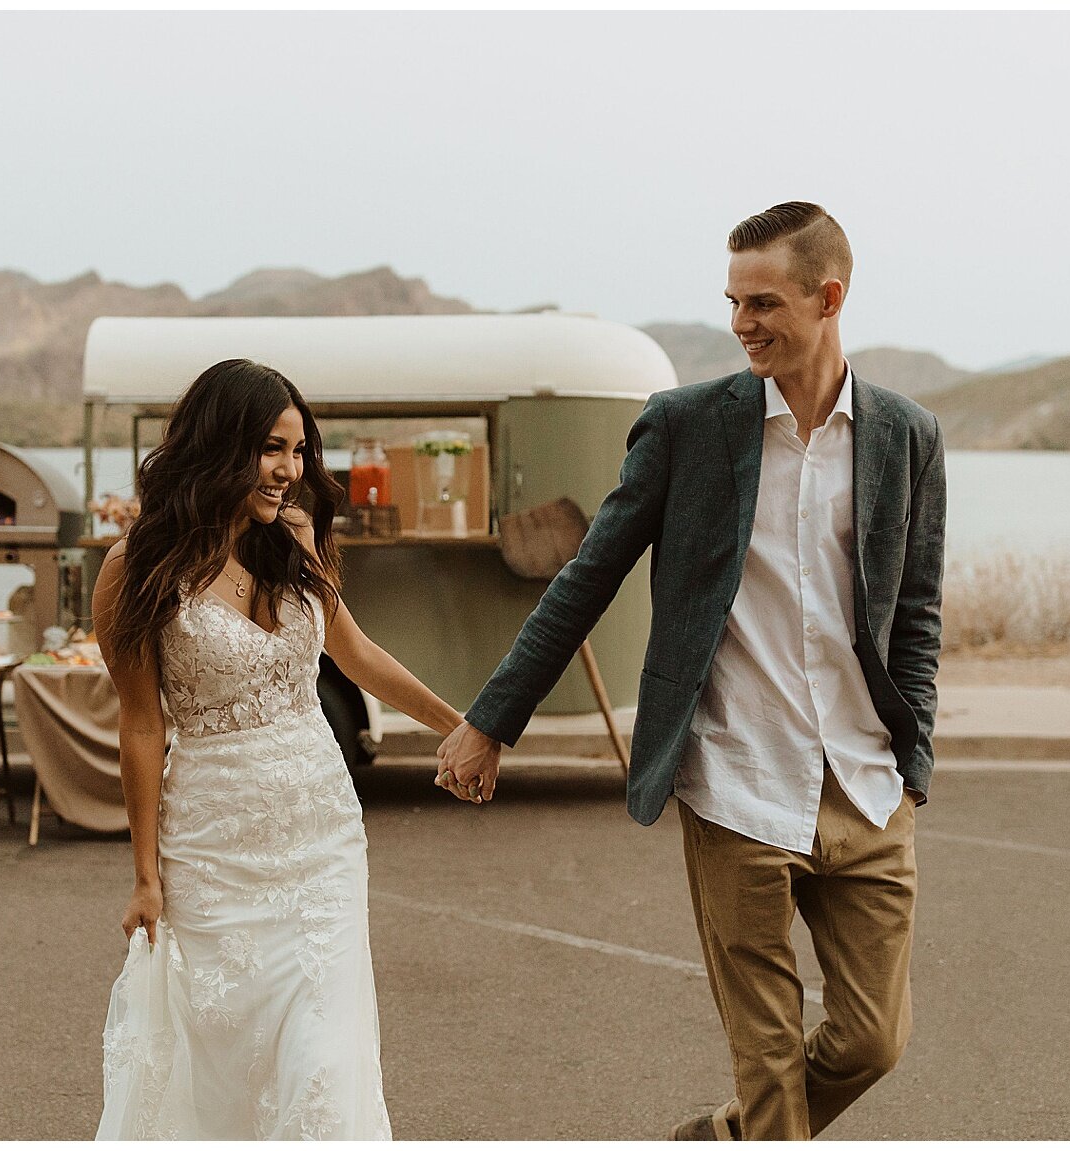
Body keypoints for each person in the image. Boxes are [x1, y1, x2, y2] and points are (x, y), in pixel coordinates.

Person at [435, 202, 947, 1140]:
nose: (743, 322)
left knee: (875, 1039)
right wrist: (491, 719)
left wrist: (914, 758)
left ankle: (722, 1137)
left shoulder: (904, 435)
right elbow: (588, 577)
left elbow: (915, 611)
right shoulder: (683, 427)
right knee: (770, 1063)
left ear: (829, 298)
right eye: (733, 302)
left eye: (764, 302)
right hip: (735, 780)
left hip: (866, 785)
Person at [91, 358, 463, 1139]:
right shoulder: (137, 568)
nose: (290, 471)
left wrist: (462, 723)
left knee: (324, 1060)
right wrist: (145, 876)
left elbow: (356, 653)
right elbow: (141, 725)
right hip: (213, 851)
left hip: (323, 842)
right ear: (219, 444)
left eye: (299, 451)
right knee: (224, 1064)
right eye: (271, 448)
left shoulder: (293, 541)